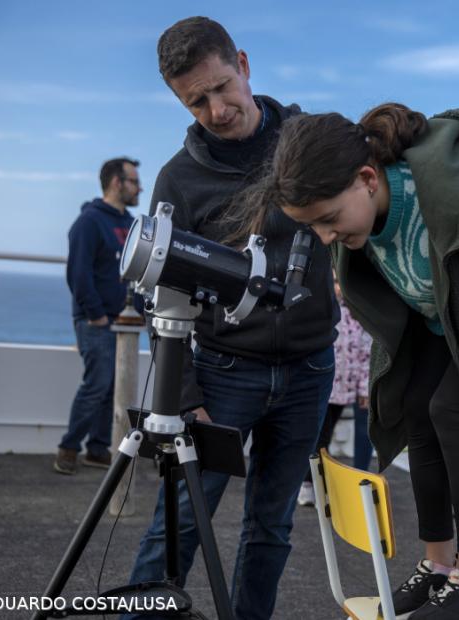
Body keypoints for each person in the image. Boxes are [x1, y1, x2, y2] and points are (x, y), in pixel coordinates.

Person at [229, 103, 459, 619]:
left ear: (367, 178)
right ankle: (440, 565)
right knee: (415, 405)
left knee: (453, 409)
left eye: (327, 220)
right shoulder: (361, 218)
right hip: (441, 318)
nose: (323, 237)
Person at [124, 17, 336, 620]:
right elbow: (155, 297)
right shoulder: (177, 180)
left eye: (222, 87)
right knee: (182, 520)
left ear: (243, 64)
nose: (217, 110)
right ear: (178, 100)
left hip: (309, 369)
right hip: (221, 373)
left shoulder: (308, 139)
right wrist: (185, 397)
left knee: (271, 529)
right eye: (197, 101)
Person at [55, 157, 142, 475]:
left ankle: (97, 448)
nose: (140, 187)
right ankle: (68, 447)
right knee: (97, 384)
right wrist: (95, 316)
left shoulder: (129, 223)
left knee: (112, 388)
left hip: (122, 321)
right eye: (134, 181)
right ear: (117, 183)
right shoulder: (89, 222)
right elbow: (78, 273)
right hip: (98, 321)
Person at [298, 272, 374, 506]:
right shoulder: (325, 312)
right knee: (320, 436)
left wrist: (365, 388)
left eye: (342, 282)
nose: (339, 288)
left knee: (365, 432)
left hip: (357, 384)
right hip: (330, 386)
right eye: (335, 282)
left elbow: (367, 351)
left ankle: (360, 482)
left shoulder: (362, 314)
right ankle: (311, 484)